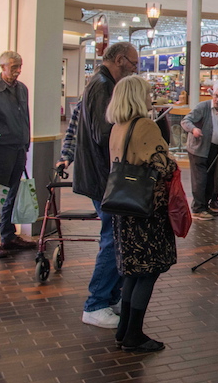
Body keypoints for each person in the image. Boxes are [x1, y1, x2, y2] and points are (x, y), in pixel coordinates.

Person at [105, 76, 177, 353]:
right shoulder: (144, 126)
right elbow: (164, 164)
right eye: (148, 93)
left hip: (124, 208)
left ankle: (125, 329)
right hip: (146, 209)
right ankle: (134, 332)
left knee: (133, 272)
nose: (151, 97)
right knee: (149, 270)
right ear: (137, 96)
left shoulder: (118, 126)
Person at [74, 41, 139, 329]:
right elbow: (103, 133)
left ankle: (109, 297)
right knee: (112, 239)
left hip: (102, 175)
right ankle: (96, 303)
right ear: (121, 59)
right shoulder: (101, 85)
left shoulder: (101, 83)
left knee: (116, 237)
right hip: (103, 177)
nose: (136, 68)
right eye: (134, 63)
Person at [0, 51, 36, 258]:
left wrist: (26, 143)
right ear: (2, 67)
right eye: (14, 67)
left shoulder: (22, 89)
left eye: (20, 66)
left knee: (12, 194)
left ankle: (8, 235)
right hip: (0, 151)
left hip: (19, 148)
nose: (18, 71)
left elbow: (25, 118)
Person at [181, 80, 218, 220]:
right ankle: (198, 208)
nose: (217, 99)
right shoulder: (203, 107)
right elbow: (186, 121)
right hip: (199, 149)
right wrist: (194, 129)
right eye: (216, 96)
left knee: (211, 179)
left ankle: (205, 206)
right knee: (200, 180)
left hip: (214, 149)